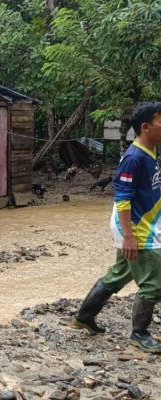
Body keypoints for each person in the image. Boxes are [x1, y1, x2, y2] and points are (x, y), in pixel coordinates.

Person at [71, 102, 161, 353]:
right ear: (145, 127)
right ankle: (139, 333)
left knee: (121, 273)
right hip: (136, 228)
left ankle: (84, 317)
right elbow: (122, 199)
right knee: (154, 283)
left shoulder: (150, 151)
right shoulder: (134, 158)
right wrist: (129, 237)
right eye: (160, 120)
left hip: (142, 224)